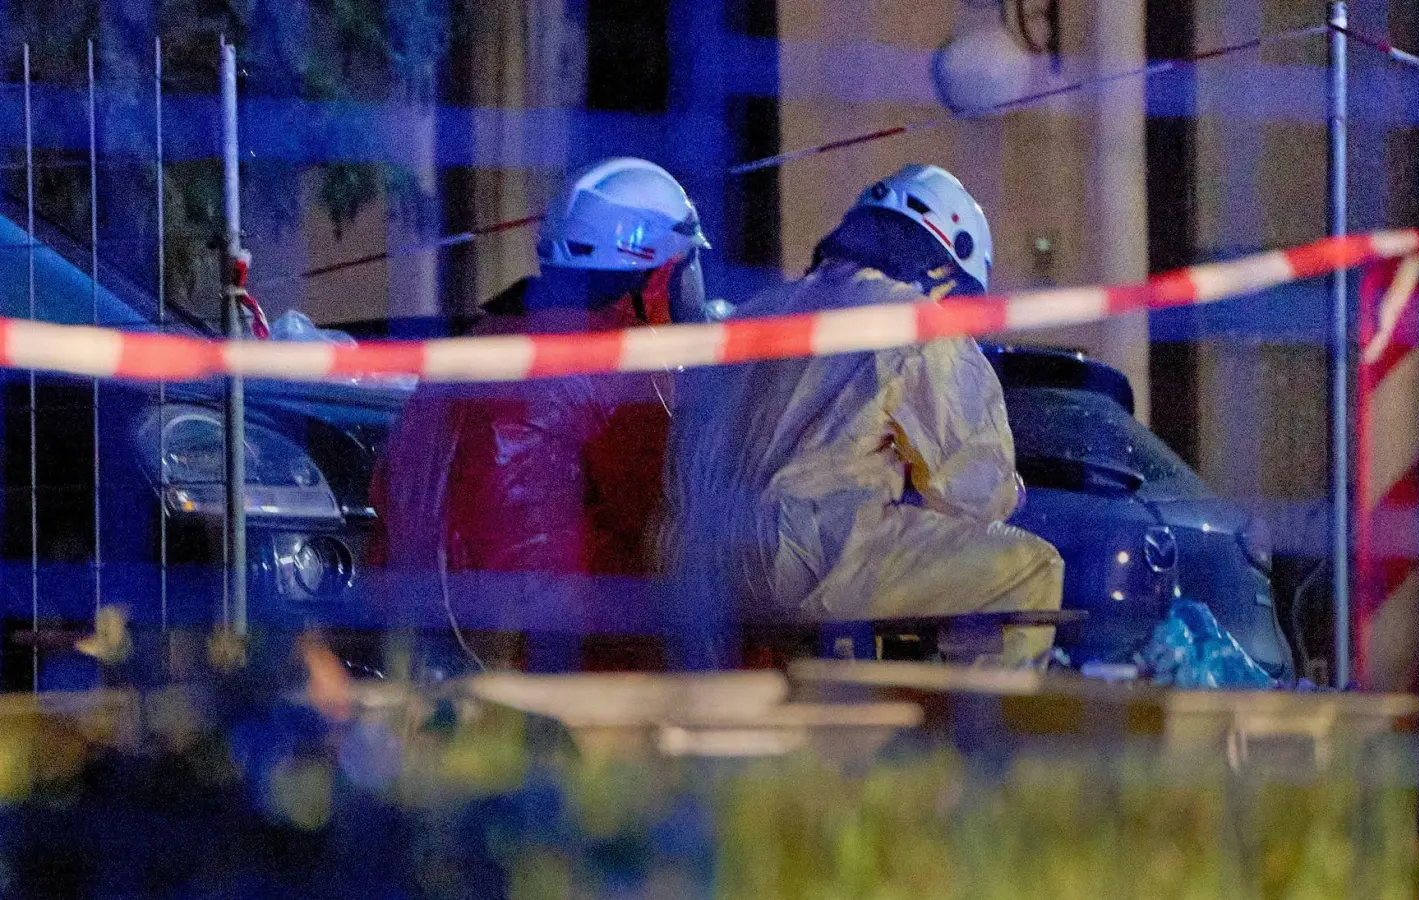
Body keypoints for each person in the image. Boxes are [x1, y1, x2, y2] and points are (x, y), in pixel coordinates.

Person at [662, 164, 1064, 666]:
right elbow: (975, 492)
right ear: (943, 268)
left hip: (693, 562)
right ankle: (976, 735)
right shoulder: (915, 319)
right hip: (805, 560)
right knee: (1028, 568)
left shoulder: (754, 313)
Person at [368, 157, 709, 670]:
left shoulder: (477, 342)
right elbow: (663, 520)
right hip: (552, 652)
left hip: (414, 638)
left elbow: (389, 490)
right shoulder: (621, 367)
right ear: (660, 276)